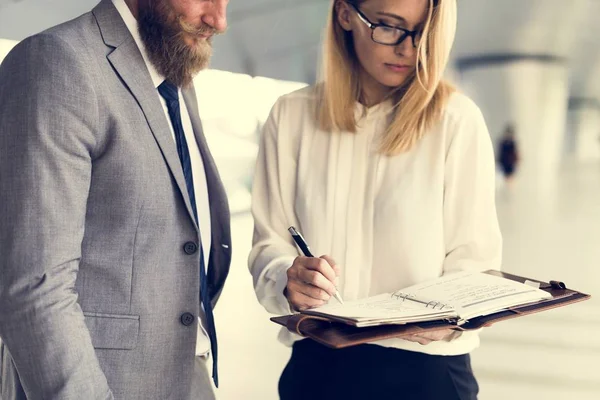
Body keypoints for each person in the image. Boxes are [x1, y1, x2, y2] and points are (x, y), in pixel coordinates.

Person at [248, 0, 501, 399]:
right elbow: (269, 245)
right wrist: (288, 278)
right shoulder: (291, 116)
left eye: (424, 33)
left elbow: (475, 259)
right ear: (345, 14)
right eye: (389, 27)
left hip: (426, 373)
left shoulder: (456, 120)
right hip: (318, 370)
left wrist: (450, 314)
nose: (409, 49)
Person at [0, 0, 232, 399]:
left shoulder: (173, 73)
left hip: (187, 378)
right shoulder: (57, 61)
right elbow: (35, 286)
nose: (219, 20)